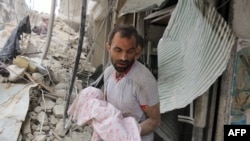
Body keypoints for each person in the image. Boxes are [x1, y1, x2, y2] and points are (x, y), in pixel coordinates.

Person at [103, 24, 161, 141]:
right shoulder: (108, 72)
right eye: (118, 50)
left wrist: (128, 134)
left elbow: (155, 121)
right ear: (108, 47)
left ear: (136, 51)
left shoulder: (143, 80)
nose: (124, 57)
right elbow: (106, 102)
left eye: (130, 51)